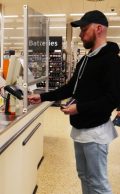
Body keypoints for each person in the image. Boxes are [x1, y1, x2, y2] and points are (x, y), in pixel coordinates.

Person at [28, 10, 120, 194]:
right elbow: (71, 89)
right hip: (80, 129)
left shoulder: (111, 60)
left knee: (98, 183)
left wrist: (79, 108)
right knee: (84, 176)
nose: (80, 34)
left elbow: (112, 99)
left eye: (84, 29)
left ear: (99, 28)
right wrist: (43, 96)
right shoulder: (85, 59)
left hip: (96, 132)